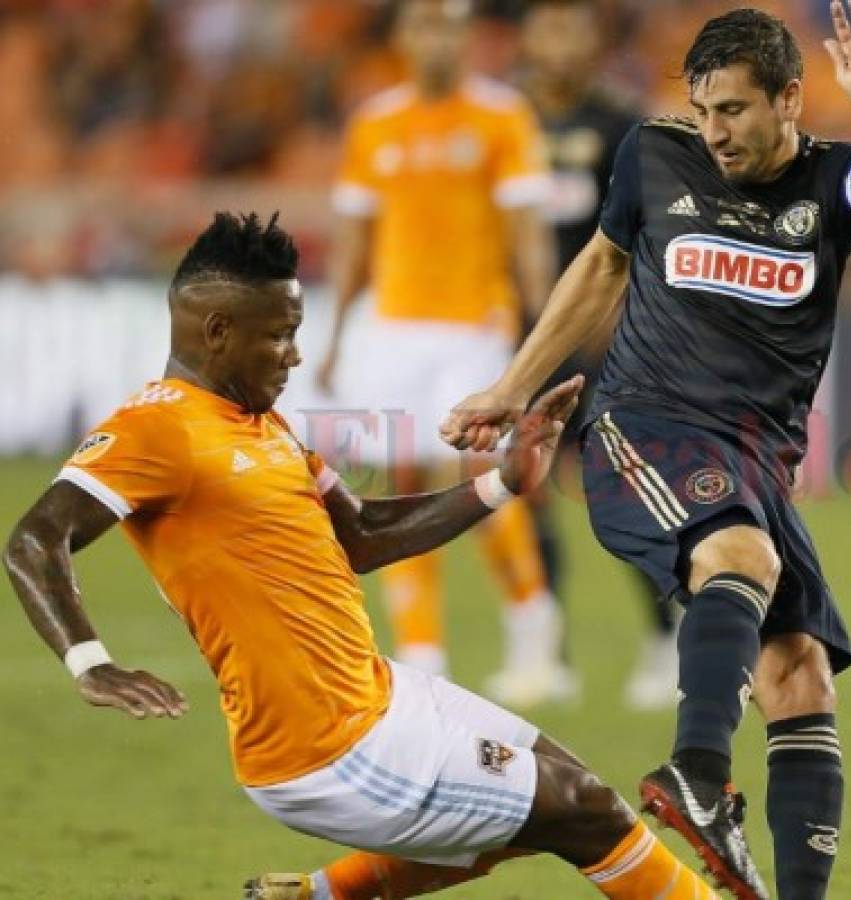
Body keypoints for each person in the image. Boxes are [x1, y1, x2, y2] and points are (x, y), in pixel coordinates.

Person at [3, 212, 723, 900]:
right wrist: (90, 662)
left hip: (375, 693)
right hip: (326, 752)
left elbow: (364, 535)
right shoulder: (157, 427)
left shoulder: (264, 424)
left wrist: (503, 481)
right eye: (280, 336)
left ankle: (318, 895)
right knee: (586, 809)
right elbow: (35, 540)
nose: (295, 354)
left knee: (558, 789)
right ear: (217, 331)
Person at [441, 4, 851, 899]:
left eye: (735, 111)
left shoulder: (828, 184)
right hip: (644, 420)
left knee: (799, 672)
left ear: (789, 99)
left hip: (758, 456)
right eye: (703, 109)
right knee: (736, 555)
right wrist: (511, 390)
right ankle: (697, 775)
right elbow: (601, 267)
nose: (714, 132)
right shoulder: (652, 154)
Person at [311, 0, 571, 705]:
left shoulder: (501, 117)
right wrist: (334, 335)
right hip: (393, 328)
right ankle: (421, 652)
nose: (437, 39)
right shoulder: (374, 124)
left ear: (467, 39)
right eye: (424, 24)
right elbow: (354, 240)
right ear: (401, 37)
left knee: (481, 473)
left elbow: (525, 231)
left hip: (473, 325)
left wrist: (540, 327)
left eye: (449, 26)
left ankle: (532, 630)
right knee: (397, 482)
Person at [516, 0, 679, 711]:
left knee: (617, 487)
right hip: (524, 336)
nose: (560, 43)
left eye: (572, 29)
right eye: (548, 28)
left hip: (604, 335)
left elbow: (649, 232)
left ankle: (664, 637)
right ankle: (541, 645)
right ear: (527, 38)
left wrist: (618, 320)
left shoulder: (621, 125)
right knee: (521, 494)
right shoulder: (503, 120)